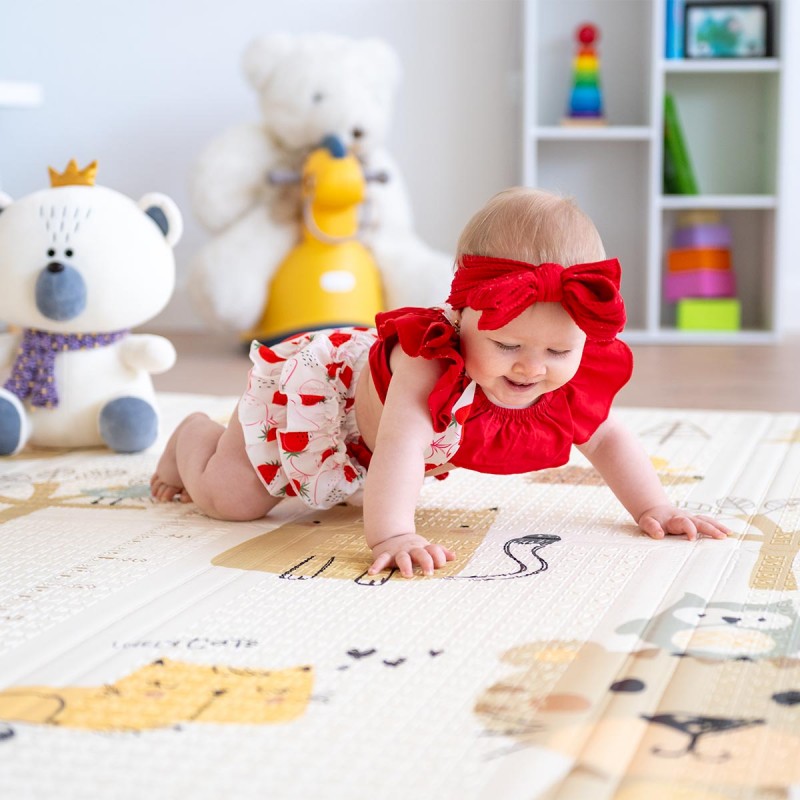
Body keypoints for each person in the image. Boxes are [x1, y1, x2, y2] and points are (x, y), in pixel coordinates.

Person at [151, 187, 730, 577]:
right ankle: (193, 440)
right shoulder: (427, 360)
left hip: (366, 451)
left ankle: (345, 483)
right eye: (507, 346)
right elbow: (404, 444)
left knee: (353, 494)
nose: (532, 368)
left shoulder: (548, 369)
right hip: (313, 403)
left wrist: (656, 506)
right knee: (235, 501)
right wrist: (393, 536)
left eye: (560, 350)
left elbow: (605, 439)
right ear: (462, 313)